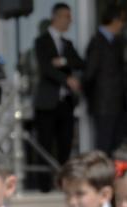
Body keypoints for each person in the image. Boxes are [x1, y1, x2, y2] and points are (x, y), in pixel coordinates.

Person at [30, 3, 84, 192]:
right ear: (57, 17)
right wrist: (66, 79)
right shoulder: (41, 41)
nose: (70, 21)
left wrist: (62, 61)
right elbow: (45, 68)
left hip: (65, 104)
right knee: (45, 144)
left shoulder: (68, 45)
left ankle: (64, 184)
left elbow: (79, 62)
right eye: (67, 17)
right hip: (46, 103)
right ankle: (43, 186)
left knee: (65, 144)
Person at [83, 3, 127, 155]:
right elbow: (89, 74)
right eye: (122, 20)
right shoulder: (97, 42)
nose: (123, 24)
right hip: (103, 105)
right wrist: (93, 99)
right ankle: (102, 177)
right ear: (114, 20)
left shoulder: (117, 42)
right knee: (104, 145)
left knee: (115, 145)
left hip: (118, 104)